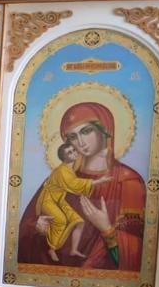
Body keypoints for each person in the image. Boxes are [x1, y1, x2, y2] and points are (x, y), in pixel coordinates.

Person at [18, 102, 146, 270]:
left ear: (105, 129)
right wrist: (37, 226)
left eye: (86, 131)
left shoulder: (128, 181)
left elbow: (139, 251)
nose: (80, 142)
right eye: (72, 137)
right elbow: (23, 232)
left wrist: (107, 229)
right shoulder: (62, 176)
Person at [36, 141, 112, 262]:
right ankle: (52, 249)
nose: (74, 153)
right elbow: (74, 184)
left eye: (74, 150)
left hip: (59, 201)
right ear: (64, 157)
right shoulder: (62, 170)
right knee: (61, 221)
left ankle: (74, 250)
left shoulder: (71, 168)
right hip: (49, 201)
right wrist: (99, 181)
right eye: (69, 152)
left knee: (79, 222)